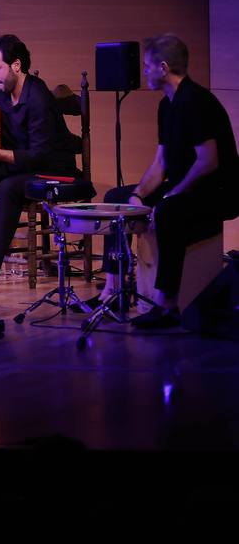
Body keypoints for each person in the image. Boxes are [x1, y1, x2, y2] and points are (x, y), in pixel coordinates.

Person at [103, 35, 239, 329]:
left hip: (218, 192)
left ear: (163, 68)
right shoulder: (167, 106)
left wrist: (169, 197)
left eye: (147, 66)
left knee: (168, 212)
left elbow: (208, 161)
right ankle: (112, 290)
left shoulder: (196, 101)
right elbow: (161, 163)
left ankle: (167, 306)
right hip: (187, 187)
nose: (144, 72)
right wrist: (138, 196)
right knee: (117, 197)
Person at [0, 34, 80, 296]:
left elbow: (39, 156)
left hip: (50, 171)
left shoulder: (38, 97)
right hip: (18, 168)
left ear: (16, 66)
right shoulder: (2, 89)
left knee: (8, 187)